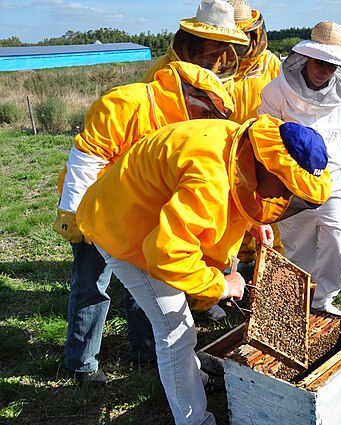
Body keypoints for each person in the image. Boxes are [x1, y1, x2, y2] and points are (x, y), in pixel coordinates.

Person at [75, 115, 332, 425]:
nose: (284, 199)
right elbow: (165, 253)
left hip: (152, 218)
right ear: (268, 163)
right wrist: (222, 286)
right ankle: (195, 420)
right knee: (174, 330)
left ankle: (192, 377)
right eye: (286, 188)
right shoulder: (209, 175)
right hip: (124, 230)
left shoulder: (239, 147)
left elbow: (235, 189)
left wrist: (253, 219)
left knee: (178, 325)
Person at [52, 61, 236, 384]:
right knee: (92, 283)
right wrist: (72, 214)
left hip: (135, 213)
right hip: (93, 208)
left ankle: (146, 351)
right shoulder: (126, 102)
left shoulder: (184, 122)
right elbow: (86, 157)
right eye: (207, 107)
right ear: (190, 95)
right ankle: (82, 364)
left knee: (146, 281)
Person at [258, 21, 341, 315]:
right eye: (320, 63)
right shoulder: (275, 91)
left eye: (332, 66)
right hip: (291, 182)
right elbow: (264, 139)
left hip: (334, 180)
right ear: (306, 59)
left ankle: (323, 300)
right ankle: (299, 301)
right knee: (297, 243)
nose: (325, 71)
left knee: (338, 235)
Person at [228, 0, 285, 273]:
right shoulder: (214, 63)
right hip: (221, 149)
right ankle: (218, 286)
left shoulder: (271, 63)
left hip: (261, 150)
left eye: (246, 35)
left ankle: (266, 278)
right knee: (225, 215)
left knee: (265, 215)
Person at [142, 0, 249, 83]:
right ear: (197, 39)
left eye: (225, 44)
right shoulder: (161, 69)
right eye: (215, 43)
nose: (220, 51)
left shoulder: (223, 73)